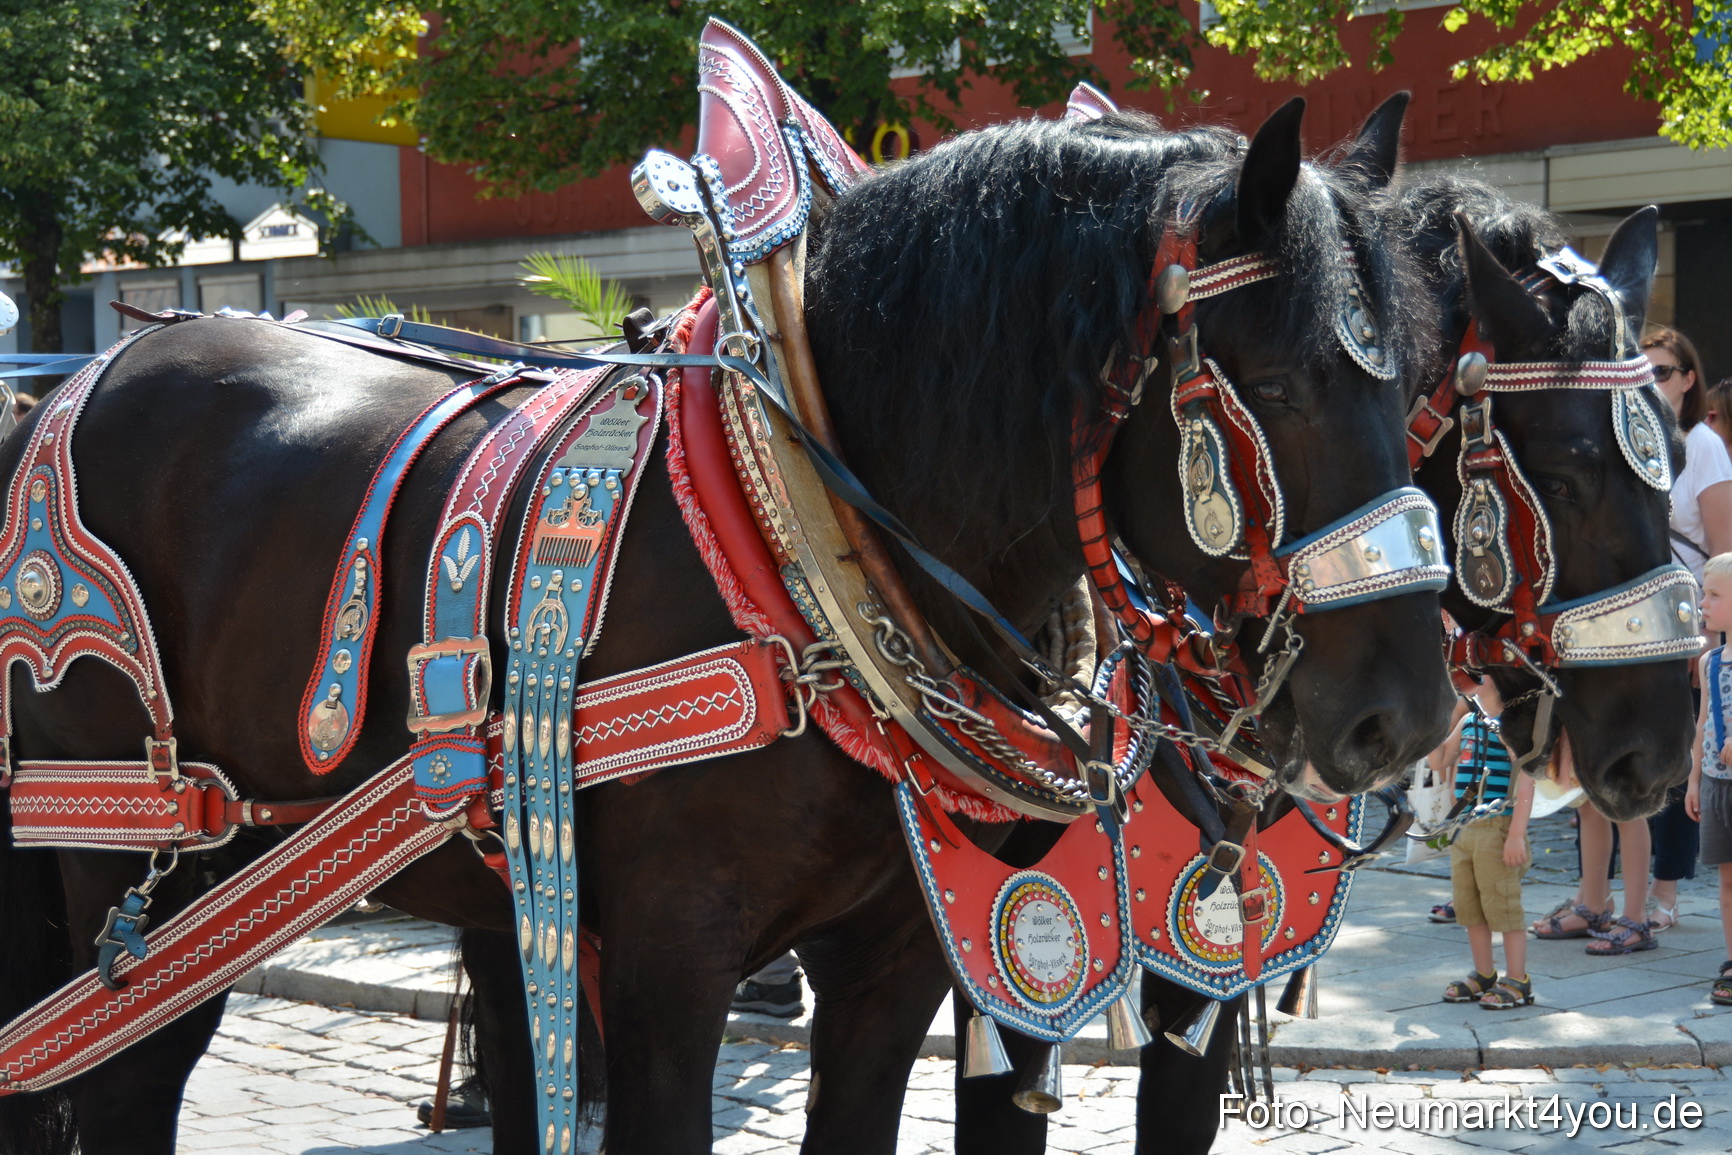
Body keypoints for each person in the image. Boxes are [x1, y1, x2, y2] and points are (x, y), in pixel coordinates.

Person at [1643, 327, 1731, 931]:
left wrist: (1711, 634)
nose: (1655, 383)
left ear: (1689, 378)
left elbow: (1724, 548)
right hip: (1634, 622)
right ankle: (1611, 891)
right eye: (1642, 372)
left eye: (1666, 372)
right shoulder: (1631, 436)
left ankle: (1666, 891)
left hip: (1689, 621)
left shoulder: (1703, 445)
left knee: (1681, 755)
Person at [1436, 679, 1538, 1008]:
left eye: (1482, 677)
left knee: (1504, 907)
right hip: (1465, 828)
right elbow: (1440, 762)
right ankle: (1484, 973)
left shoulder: (1511, 727)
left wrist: (1516, 834)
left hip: (1497, 827)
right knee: (1469, 908)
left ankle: (1517, 979)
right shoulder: (1468, 722)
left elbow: (1525, 778)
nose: (1471, 682)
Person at [1687, 553, 1732, 1005]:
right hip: (1718, 785)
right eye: (1705, 592)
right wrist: (1696, 780)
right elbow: (1703, 724)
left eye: (1715, 594)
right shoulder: (1710, 662)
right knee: (1726, 881)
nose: (1704, 602)